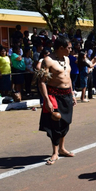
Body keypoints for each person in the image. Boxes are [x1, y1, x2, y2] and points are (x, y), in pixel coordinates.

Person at [37, 37, 77, 165]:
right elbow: (42, 82)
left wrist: (72, 93)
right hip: (54, 95)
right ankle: (55, 153)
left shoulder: (66, 59)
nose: (71, 50)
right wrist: (47, 100)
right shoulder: (48, 61)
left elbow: (68, 77)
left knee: (65, 123)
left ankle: (62, 148)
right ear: (61, 48)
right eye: (69, 48)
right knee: (56, 124)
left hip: (66, 96)